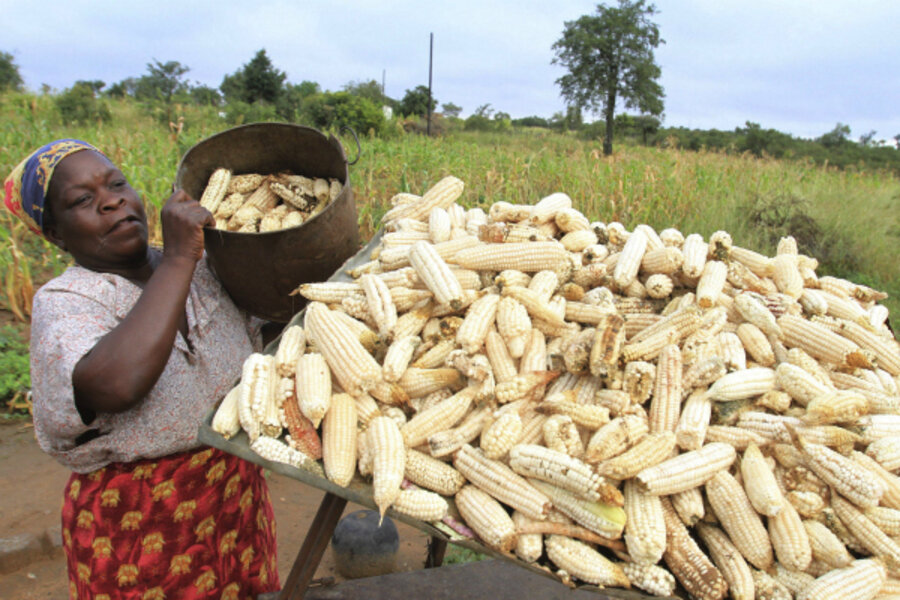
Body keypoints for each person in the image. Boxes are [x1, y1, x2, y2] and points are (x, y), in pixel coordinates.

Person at [4, 139, 280, 599]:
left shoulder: (209, 268)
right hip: (139, 521)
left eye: (117, 184)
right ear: (55, 233)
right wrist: (177, 258)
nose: (112, 201)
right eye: (83, 201)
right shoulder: (68, 301)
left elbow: (266, 333)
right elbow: (117, 384)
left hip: (235, 499)